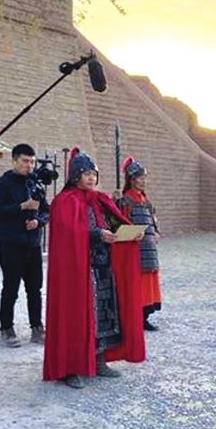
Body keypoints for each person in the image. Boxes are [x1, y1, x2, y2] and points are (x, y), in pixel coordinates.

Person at [43, 148, 145, 388]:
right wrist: (97, 234)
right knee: (74, 316)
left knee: (103, 315)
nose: (91, 178)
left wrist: (131, 233)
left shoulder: (100, 200)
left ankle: (98, 360)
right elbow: (69, 233)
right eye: (86, 173)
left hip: (102, 267)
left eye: (93, 174)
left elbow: (115, 223)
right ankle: (70, 369)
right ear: (75, 175)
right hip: (76, 271)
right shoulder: (64, 202)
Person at [0, 144, 49, 348]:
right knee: (11, 287)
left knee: (35, 288)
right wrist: (22, 206)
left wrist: (38, 222)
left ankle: (37, 328)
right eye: (25, 161)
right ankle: (6, 328)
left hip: (33, 244)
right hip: (11, 243)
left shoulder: (35, 182)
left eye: (32, 162)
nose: (29, 165)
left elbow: (46, 210)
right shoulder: (1, 184)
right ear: (14, 160)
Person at [117, 156, 162, 331]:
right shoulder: (126, 201)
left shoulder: (146, 201)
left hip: (148, 248)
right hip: (135, 250)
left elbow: (153, 220)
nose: (143, 181)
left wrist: (156, 232)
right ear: (132, 179)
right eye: (140, 178)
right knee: (138, 285)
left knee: (149, 283)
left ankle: (145, 316)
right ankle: (136, 317)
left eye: (144, 178)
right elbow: (120, 223)